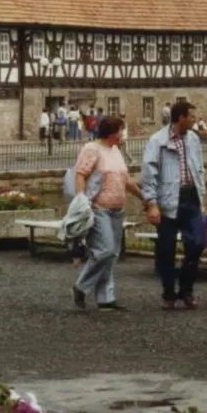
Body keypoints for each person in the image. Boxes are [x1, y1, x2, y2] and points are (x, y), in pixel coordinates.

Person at [71, 115, 142, 310]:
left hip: (117, 210)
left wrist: (143, 197)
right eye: (121, 130)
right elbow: (81, 174)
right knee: (105, 250)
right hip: (98, 208)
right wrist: (81, 202)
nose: (123, 134)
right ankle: (81, 286)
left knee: (112, 254)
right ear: (112, 133)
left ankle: (105, 298)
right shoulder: (92, 149)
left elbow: (126, 180)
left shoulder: (116, 151)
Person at [141, 101, 206, 309]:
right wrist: (151, 203)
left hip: (191, 197)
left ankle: (186, 288)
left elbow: (199, 167)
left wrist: (201, 194)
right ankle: (169, 293)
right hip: (168, 199)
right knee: (166, 250)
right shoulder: (157, 141)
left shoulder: (193, 138)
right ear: (181, 118)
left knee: (198, 242)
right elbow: (149, 173)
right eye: (191, 117)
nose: (194, 120)